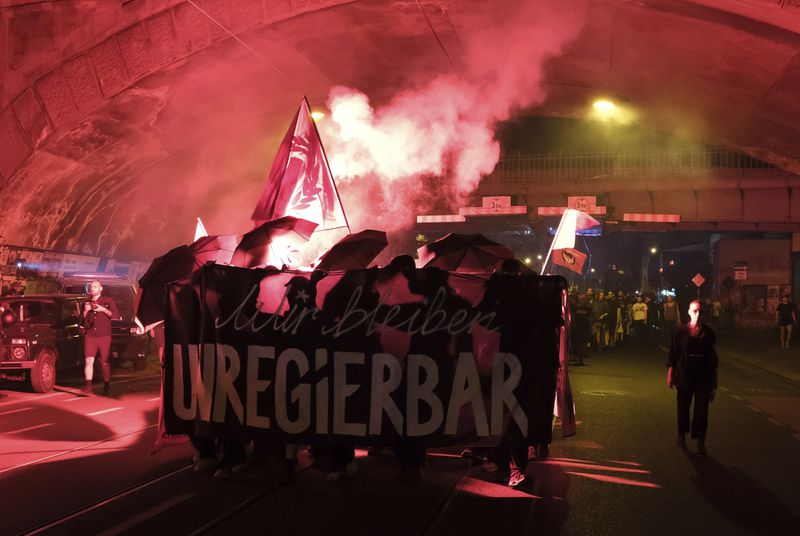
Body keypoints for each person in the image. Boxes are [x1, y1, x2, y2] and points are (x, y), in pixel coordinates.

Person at [666, 300, 718, 455]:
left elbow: (712, 358)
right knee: (683, 405)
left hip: (703, 375)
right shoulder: (681, 332)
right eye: (695, 311)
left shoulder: (709, 333)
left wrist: (714, 381)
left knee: (702, 409)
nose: (698, 314)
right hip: (684, 373)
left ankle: (700, 441)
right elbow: (673, 354)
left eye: (701, 311)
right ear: (689, 312)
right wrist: (670, 374)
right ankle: (681, 434)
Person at [80, 281, 120, 396]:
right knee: (89, 360)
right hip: (90, 335)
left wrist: (104, 310)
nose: (92, 288)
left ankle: (106, 383)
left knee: (104, 362)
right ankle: (88, 387)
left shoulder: (108, 301)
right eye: (91, 286)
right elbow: (82, 322)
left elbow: (116, 316)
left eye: (95, 286)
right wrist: (85, 311)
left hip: (104, 335)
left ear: (100, 288)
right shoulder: (86, 302)